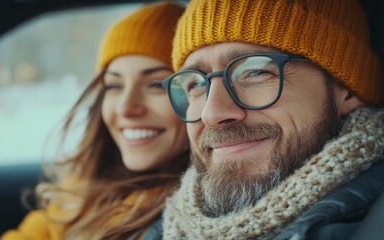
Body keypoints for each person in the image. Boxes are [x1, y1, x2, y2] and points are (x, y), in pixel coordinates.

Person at [160, 0, 384, 239]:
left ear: (345, 87)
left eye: (256, 71)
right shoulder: (157, 226)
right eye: (196, 84)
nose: (212, 114)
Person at [0, 2, 188, 240]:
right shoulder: (84, 185)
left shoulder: (179, 220)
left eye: (156, 85)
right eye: (114, 85)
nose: (125, 107)